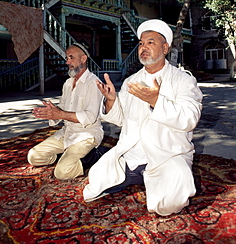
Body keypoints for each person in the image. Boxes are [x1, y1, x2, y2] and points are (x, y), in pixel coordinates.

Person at [83, 19, 203, 216]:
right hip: (132, 154)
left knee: (171, 201)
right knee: (95, 181)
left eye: (150, 42)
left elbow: (190, 118)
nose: (143, 48)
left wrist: (156, 101)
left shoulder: (183, 80)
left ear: (165, 48)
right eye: (141, 43)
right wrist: (112, 101)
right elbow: (122, 119)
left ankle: (153, 180)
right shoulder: (132, 81)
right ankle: (132, 174)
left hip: (168, 154)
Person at [27, 43, 105, 180]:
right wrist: (52, 112)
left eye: (71, 57)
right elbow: (61, 110)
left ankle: (94, 156)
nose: (67, 61)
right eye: (66, 58)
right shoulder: (68, 84)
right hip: (67, 133)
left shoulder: (94, 83)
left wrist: (60, 114)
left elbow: (90, 117)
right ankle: (65, 156)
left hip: (87, 134)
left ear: (83, 59)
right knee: (33, 156)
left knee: (62, 173)